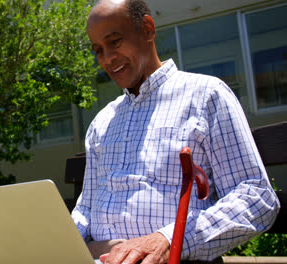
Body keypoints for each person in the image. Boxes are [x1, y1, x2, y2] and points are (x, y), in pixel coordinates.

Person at [71, 0, 280, 263]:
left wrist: (170, 241)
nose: (107, 59)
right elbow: (86, 208)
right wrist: (61, 242)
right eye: (98, 50)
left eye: (114, 41)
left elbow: (256, 197)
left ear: (147, 29)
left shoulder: (206, 96)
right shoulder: (102, 122)